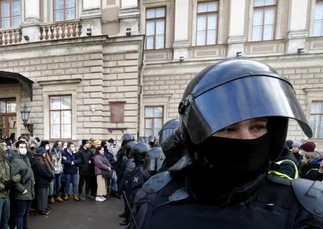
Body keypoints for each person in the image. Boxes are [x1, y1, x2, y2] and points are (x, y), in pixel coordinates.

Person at [130, 59, 322, 229]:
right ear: (198, 137)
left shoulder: (307, 206)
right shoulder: (157, 191)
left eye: (257, 127)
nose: (246, 139)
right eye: (229, 129)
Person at [10, 141, 35, 229]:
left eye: (24, 146)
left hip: (29, 191)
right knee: (20, 214)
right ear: (17, 148)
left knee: (25, 214)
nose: (23, 149)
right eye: (21, 147)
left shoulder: (26, 159)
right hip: (22, 193)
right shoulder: (16, 161)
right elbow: (13, 178)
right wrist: (22, 189)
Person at [32, 147, 54, 215]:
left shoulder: (42, 161)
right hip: (41, 180)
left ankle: (44, 207)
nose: (45, 154)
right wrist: (49, 175)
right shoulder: (37, 162)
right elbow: (42, 171)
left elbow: (46, 169)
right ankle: (41, 209)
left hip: (44, 180)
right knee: (41, 195)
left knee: (44, 195)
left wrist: (49, 175)